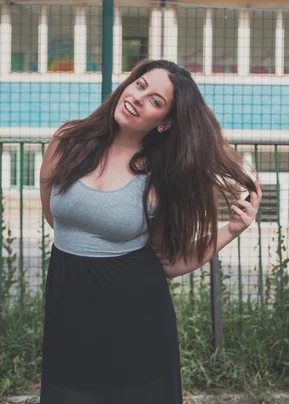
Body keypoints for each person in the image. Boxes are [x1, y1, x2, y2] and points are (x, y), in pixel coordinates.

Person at [39, 58, 262, 404]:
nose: (140, 98)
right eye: (141, 85)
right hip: (69, 320)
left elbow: (168, 262)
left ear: (165, 122)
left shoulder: (160, 180)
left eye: (156, 101)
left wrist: (231, 229)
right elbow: (57, 218)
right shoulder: (67, 142)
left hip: (137, 325)